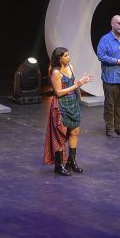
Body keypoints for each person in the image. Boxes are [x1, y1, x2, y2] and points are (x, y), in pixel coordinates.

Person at [43, 47, 93, 176]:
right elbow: (58, 92)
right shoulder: (55, 72)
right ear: (59, 58)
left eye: (69, 55)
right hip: (61, 105)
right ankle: (59, 166)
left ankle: (71, 161)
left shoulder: (71, 67)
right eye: (66, 55)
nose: (69, 57)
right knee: (60, 134)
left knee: (74, 131)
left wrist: (81, 83)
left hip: (73, 103)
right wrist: (77, 85)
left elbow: (74, 84)